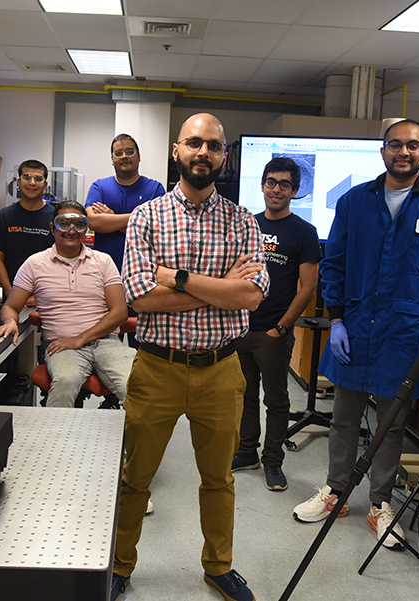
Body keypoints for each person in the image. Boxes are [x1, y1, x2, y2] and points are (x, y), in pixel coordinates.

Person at [110, 113, 269, 601]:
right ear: (177, 151)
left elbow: (252, 296)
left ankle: (218, 567)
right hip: (156, 369)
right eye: (195, 143)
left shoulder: (243, 220)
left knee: (218, 479)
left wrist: (177, 278)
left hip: (222, 371)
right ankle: (118, 567)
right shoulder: (147, 216)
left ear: (224, 156)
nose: (204, 153)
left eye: (214, 146)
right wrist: (222, 288)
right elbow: (138, 296)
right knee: (135, 478)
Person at [291, 119, 419, 549]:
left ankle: (380, 503)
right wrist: (336, 320)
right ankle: (336, 492)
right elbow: (335, 264)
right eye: (395, 145)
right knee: (344, 418)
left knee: (391, 422)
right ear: (382, 151)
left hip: (406, 334)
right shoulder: (354, 201)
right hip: (355, 325)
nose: (403, 153)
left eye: (413, 146)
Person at [0, 200, 135, 408]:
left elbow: (119, 312)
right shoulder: (35, 264)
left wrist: (80, 338)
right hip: (61, 346)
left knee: (137, 388)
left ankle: (130, 441)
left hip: (106, 343)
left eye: (79, 224)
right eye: (63, 223)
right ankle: (55, 439)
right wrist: (10, 321)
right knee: (64, 384)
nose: (71, 230)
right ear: (52, 228)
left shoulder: (103, 261)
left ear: (86, 228)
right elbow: (11, 306)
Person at [231, 157, 321, 492]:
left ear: (295, 190)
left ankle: (273, 461)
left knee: (277, 400)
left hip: (273, 333)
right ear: (263, 185)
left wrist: (282, 328)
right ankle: (246, 452)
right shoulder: (248, 226)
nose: (277, 189)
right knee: (244, 395)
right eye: (271, 182)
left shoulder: (304, 232)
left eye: (284, 184)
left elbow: (308, 287)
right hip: (241, 329)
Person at [85, 134, 165, 271]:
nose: (124, 156)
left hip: (144, 269)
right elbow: (93, 222)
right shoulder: (99, 187)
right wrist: (143, 218)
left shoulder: (155, 188)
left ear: (139, 156)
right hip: (105, 269)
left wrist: (111, 217)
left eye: (129, 152)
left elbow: (158, 230)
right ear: (112, 159)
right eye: (118, 153)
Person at [0, 159, 55, 299]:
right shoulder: (4, 216)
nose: (32, 183)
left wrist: (44, 296)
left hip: (48, 298)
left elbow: (62, 259)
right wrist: (9, 292)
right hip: (12, 295)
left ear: (45, 185)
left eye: (38, 179)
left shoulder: (55, 217)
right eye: (26, 177)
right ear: (18, 182)